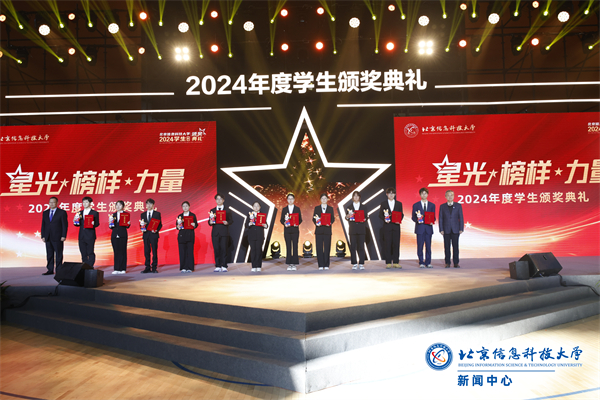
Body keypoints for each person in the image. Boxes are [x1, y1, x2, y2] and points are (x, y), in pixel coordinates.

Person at [40, 197, 68, 275]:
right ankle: (50, 269)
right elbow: (43, 225)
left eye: (53, 202)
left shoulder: (62, 212)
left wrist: (63, 235)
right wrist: (43, 235)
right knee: (49, 254)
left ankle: (59, 270)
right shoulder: (45, 212)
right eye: (50, 202)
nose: (51, 204)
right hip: (48, 237)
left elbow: (64, 225)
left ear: (57, 203)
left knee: (58, 254)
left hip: (58, 237)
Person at [379, 187, 403, 269]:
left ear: (395, 194)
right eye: (389, 193)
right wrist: (385, 219)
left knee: (396, 244)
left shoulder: (399, 203)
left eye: (393, 193)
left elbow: (401, 214)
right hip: (387, 227)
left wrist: (399, 220)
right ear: (387, 194)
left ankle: (396, 262)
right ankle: (388, 262)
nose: (391, 195)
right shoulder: (383, 203)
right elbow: (380, 214)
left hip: (396, 226)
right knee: (387, 244)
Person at [439, 190, 464, 268]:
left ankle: (456, 262)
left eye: (451, 195)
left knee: (455, 247)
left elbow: (461, 218)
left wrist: (461, 228)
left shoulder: (458, 205)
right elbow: (441, 218)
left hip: (455, 229)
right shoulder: (442, 206)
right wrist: (441, 229)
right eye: (448, 195)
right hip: (446, 230)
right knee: (447, 247)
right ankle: (447, 262)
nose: (450, 197)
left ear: (453, 196)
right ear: (445, 196)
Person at [209, 193, 233, 272]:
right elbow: (209, 221)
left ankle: (224, 265)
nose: (219, 200)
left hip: (224, 232)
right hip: (215, 232)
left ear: (223, 200)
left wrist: (227, 222)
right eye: (217, 199)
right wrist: (210, 222)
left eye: (220, 199)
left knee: (224, 249)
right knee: (216, 249)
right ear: (215, 200)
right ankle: (218, 265)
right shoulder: (212, 210)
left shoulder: (227, 210)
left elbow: (231, 220)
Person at [412, 188, 435, 268]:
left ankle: (428, 262)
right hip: (420, 228)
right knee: (420, 246)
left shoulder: (432, 205)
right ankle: (421, 262)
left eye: (425, 193)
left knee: (428, 246)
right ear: (420, 195)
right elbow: (413, 217)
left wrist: (432, 221)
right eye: (422, 193)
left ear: (427, 194)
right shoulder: (416, 205)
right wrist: (417, 220)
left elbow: (434, 217)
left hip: (428, 229)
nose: (424, 195)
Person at [345, 191, 368, 270]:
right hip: (353, 229)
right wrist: (347, 216)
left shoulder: (364, 207)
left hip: (361, 229)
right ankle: (354, 263)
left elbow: (366, 216)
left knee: (361, 246)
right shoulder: (349, 207)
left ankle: (361, 263)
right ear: (352, 197)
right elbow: (346, 217)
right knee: (353, 247)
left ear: (359, 197)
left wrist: (364, 219)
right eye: (354, 196)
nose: (356, 197)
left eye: (357, 196)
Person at [280, 193, 302, 271]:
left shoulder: (297, 209)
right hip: (287, 230)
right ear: (287, 200)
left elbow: (300, 219)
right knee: (288, 247)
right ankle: (289, 264)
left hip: (295, 230)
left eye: (291, 199)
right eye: (289, 199)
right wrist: (285, 223)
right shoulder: (284, 209)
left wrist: (297, 223)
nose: (290, 200)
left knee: (295, 247)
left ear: (294, 200)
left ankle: (294, 264)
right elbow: (281, 220)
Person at [313, 193, 335, 271]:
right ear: (320, 200)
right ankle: (320, 264)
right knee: (319, 248)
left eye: (325, 198)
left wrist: (330, 222)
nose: (324, 200)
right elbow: (314, 218)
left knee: (327, 248)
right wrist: (316, 223)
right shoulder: (317, 208)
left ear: (327, 199)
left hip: (327, 231)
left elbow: (332, 218)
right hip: (319, 231)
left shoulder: (330, 208)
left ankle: (326, 264)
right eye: (322, 198)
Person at [76, 196, 100, 267]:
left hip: (90, 235)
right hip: (81, 235)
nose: (84, 204)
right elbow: (78, 224)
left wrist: (93, 223)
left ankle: (90, 266)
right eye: (83, 202)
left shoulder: (94, 213)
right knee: (83, 252)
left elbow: (97, 224)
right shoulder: (79, 213)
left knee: (90, 252)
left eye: (86, 202)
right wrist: (75, 221)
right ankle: (85, 266)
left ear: (90, 203)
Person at [140, 198, 162, 273]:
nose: (149, 205)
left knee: (154, 251)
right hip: (146, 235)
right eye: (147, 204)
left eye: (150, 204)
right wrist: (142, 228)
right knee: (146, 252)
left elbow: (160, 224)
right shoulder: (143, 214)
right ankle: (147, 267)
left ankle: (154, 267)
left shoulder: (157, 214)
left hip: (154, 235)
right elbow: (141, 224)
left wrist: (156, 230)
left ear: (153, 205)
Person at [246, 201, 268, 272]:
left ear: (260, 207)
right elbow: (246, 225)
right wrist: (249, 223)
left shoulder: (262, 215)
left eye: (257, 206)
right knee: (253, 251)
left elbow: (266, 225)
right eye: (255, 206)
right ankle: (253, 266)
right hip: (251, 236)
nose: (256, 207)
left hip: (260, 235)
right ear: (252, 207)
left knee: (259, 251)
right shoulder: (250, 214)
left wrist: (265, 225)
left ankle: (258, 266)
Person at [110, 200, 130, 274]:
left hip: (122, 235)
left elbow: (127, 226)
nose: (118, 206)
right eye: (117, 205)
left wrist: (128, 224)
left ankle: (123, 268)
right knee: (116, 252)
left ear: (123, 206)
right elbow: (111, 226)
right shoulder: (113, 215)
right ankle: (116, 268)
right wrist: (110, 224)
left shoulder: (126, 214)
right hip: (114, 235)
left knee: (123, 251)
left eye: (120, 205)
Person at [177, 201, 198, 273]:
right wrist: (178, 226)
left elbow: (196, 225)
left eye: (186, 206)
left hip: (190, 236)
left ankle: (190, 267)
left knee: (190, 252)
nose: (185, 207)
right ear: (182, 207)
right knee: (182, 252)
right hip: (182, 236)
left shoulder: (193, 215)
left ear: (189, 207)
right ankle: (183, 267)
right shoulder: (180, 216)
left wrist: (194, 225)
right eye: (183, 206)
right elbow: (177, 226)